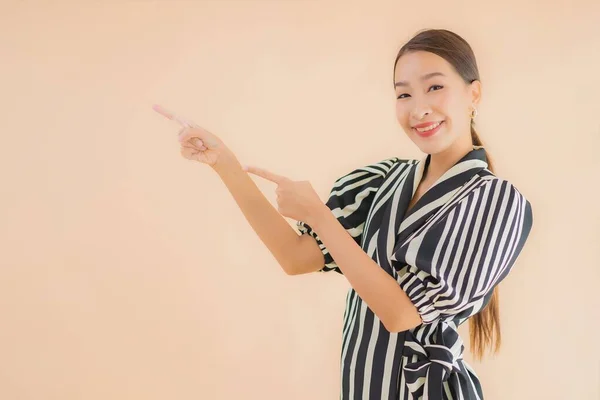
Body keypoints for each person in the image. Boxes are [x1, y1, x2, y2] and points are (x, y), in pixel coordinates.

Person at [154, 28, 533, 400]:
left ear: (474, 93)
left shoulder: (498, 203)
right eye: (403, 93)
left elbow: (401, 314)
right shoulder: (382, 181)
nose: (418, 108)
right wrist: (224, 162)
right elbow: (296, 256)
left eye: (435, 87)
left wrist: (319, 216)